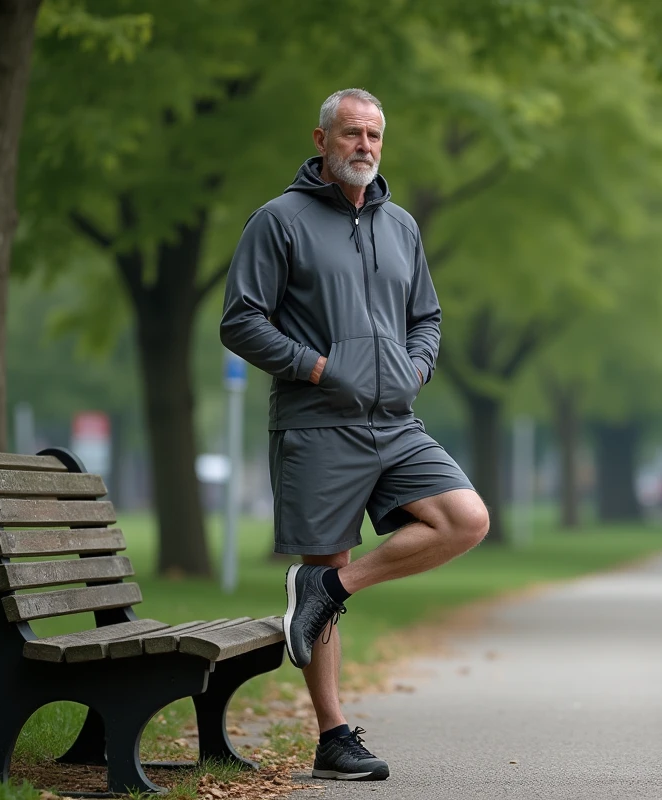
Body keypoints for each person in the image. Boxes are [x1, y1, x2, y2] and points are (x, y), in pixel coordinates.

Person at [220, 88, 490, 782]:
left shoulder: (400, 226)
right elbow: (241, 320)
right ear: (321, 139)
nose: (364, 146)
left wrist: (417, 367)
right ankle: (334, 736)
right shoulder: (278, 221)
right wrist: (316, 367)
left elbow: (426, 316)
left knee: (465, 518)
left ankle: (330, 589)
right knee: (324, 555)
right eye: (350, 134)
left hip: (396, 422)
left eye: (374, 135)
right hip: (317, 423)